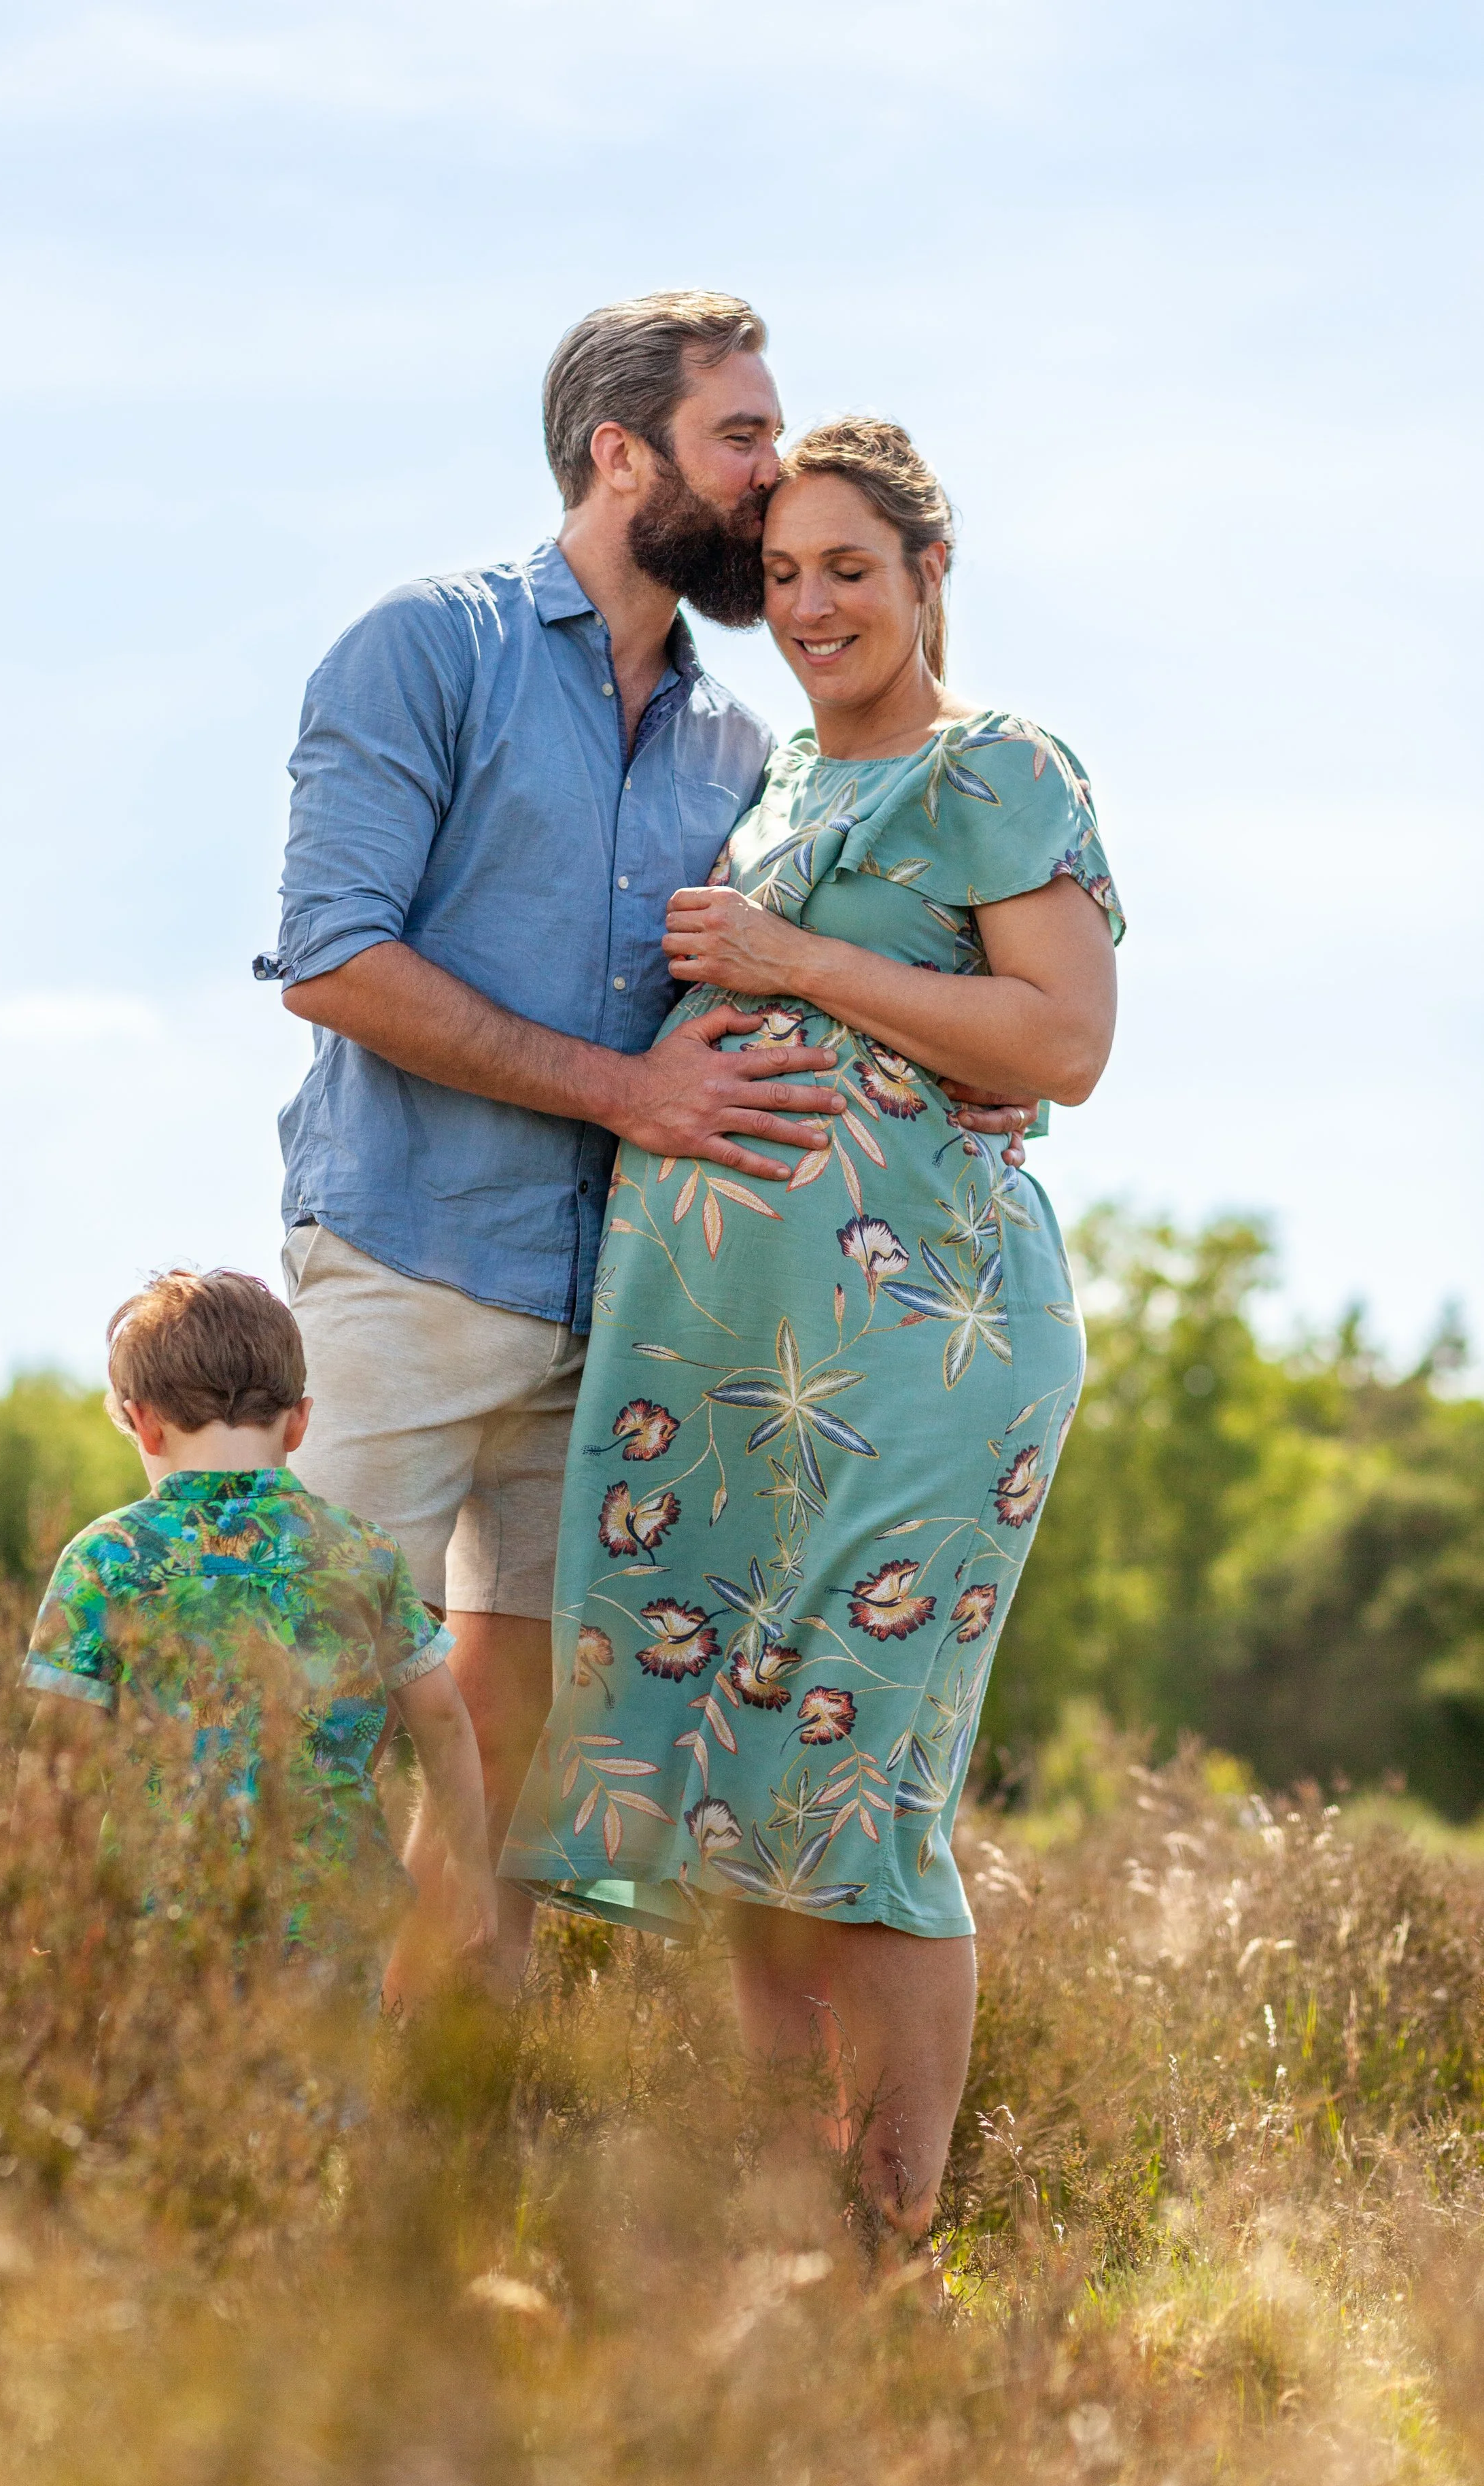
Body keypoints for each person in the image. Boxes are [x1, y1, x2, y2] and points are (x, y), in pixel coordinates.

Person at [263, 293, 1025, 2000]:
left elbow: (829, 977)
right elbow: (335, 957)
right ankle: (239, 2124)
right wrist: (624, 1097)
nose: (771, 484)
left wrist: (985, 1070)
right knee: (301, 1706)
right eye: (740, 439)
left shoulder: (739, 747)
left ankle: (428, 2144)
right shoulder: (428, 646)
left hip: (627, 1319)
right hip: (405, 1262)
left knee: (516, 1760)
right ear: (623, 455)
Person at [500, 417, 1124, 2244]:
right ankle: (780, 2243)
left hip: (925, 1356)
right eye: (780, 578)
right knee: (737, 1794)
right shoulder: (773, 791)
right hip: (728, 1374)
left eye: (848, 566)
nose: (812, 605)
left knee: (860, 1786)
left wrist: (800, 966)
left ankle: (887, 2244)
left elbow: (1062, 1044)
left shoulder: (991, 765)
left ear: (930, 572)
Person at [21, 1267, 497, 1992]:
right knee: (327, 2101)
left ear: (143, 1421)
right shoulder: (360, 1552)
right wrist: (470, 1867)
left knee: (167, 2104)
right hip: (333, 1912)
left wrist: (46, 1894)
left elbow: (57, 1753)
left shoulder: (106, 1558)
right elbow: (442, 1719)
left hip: (158, 1913)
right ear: (300, 1421)